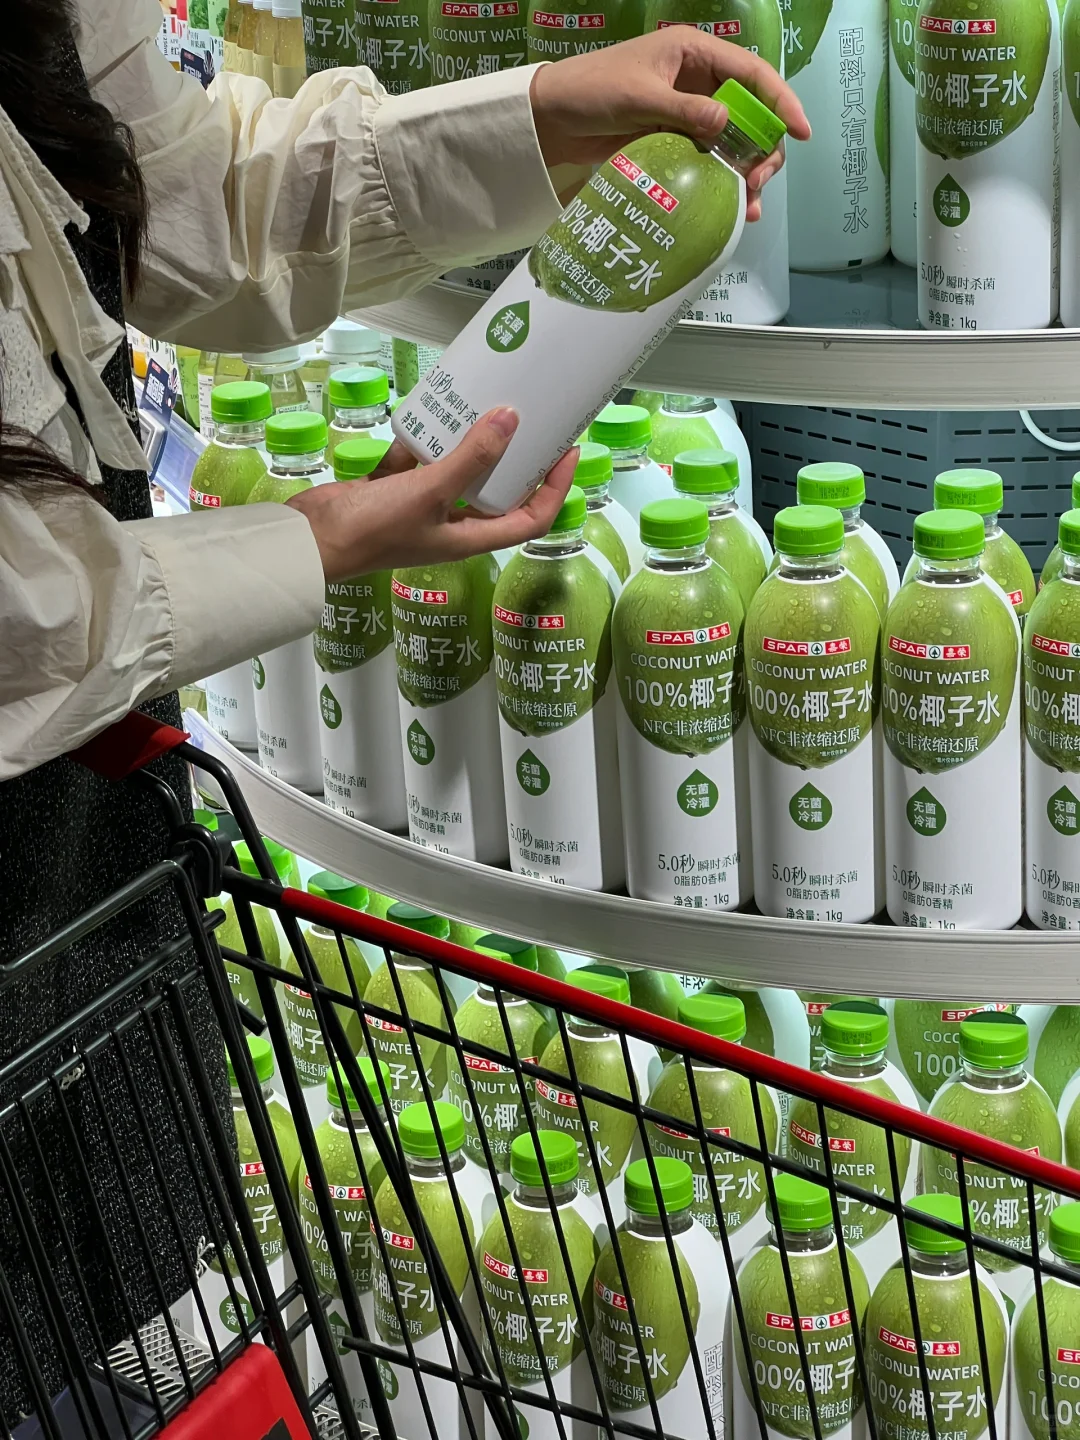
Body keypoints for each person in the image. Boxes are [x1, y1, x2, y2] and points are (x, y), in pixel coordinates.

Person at [0, 0, 804, 1415]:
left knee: (114, 1317)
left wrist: (542, 118)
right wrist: (313, 540)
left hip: (88, 859)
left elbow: (179, 193)